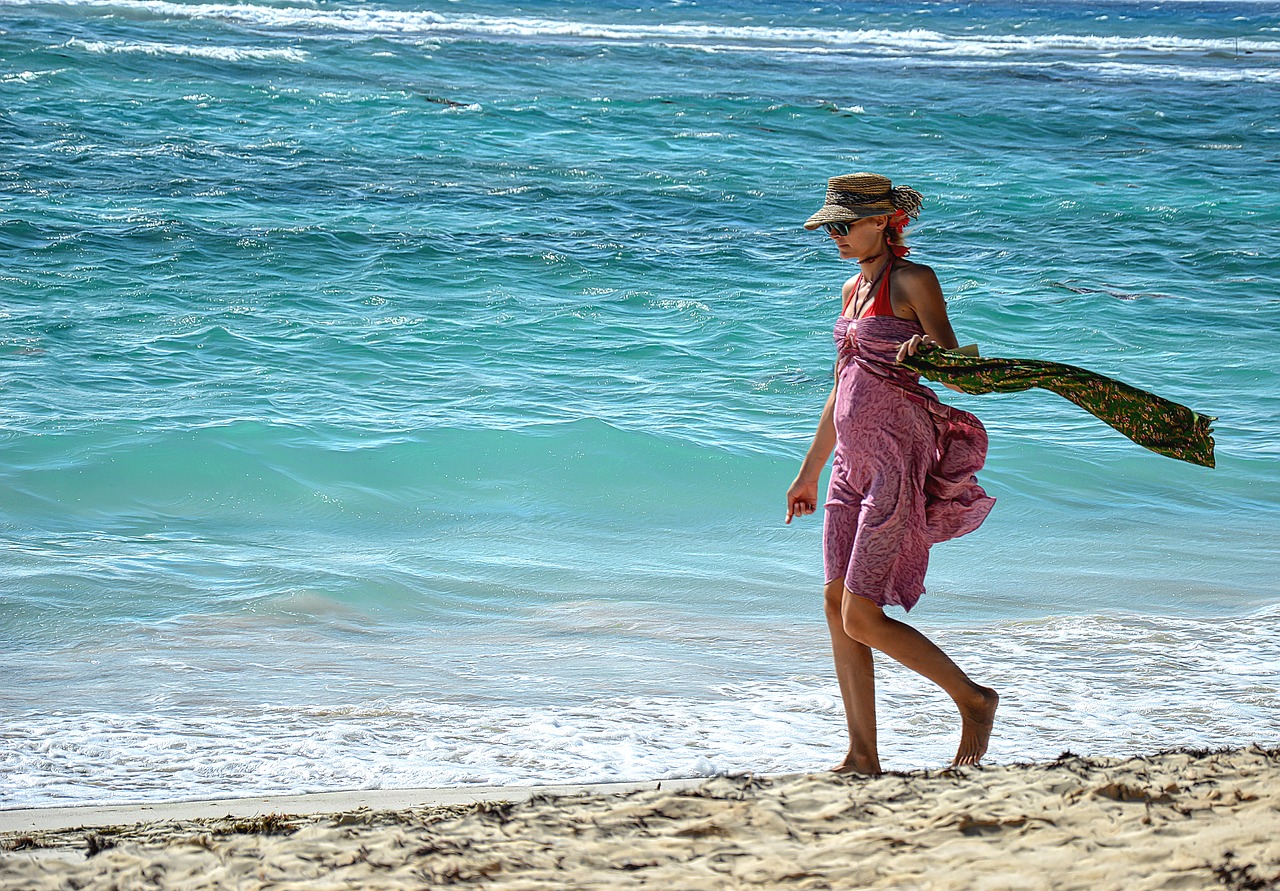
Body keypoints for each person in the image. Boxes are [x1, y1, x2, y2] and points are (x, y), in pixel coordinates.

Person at [785, 172, 1000, 773]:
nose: (835, 236)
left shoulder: (913, 280)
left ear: (883, 221)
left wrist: (926, 355)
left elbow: (957, 368)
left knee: (861, 613)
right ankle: (861, 755)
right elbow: (840, 384)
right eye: (829, 227)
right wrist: (809, 470)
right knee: (834, 603)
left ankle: (973, 699)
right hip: (849, 466)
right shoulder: (853, 287)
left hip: (894, 464)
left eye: (843, 225)